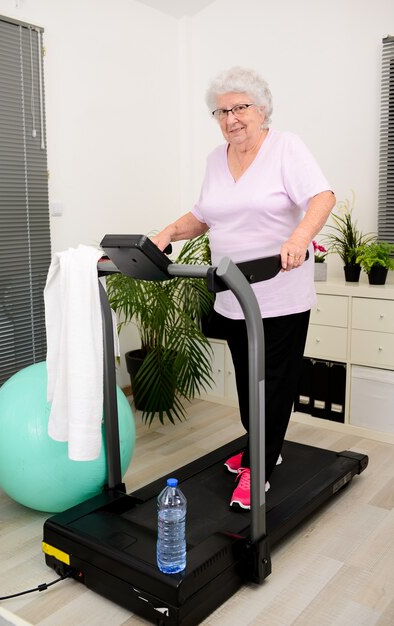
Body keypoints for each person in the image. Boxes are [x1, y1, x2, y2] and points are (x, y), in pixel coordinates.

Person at [153, 66, 335, 509]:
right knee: (247, 381)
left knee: (273, 383)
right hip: (233, 294)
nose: (232, 118)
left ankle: (261, 466)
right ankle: (258, 447)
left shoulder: (286, 147)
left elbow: (322, 196)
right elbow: (204, 214)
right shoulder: (216, 159)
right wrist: (167, 233)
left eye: (241, 107)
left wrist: (297, 239)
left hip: (279, 291)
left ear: (261, 109)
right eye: (222, 111)